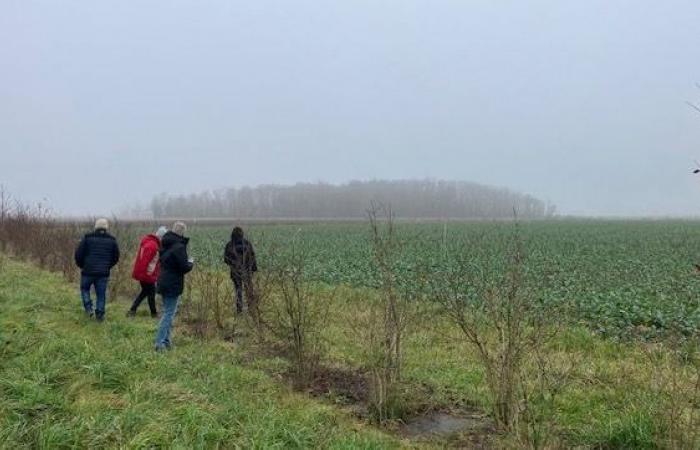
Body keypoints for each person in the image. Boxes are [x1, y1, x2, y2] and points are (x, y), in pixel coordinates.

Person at [154, 221, 193, 351]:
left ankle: (166, 341)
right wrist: (190, 264)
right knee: (169, 314)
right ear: (182, 232)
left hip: (163, 281)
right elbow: (183, 267)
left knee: (168, 312)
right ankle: (159, 343)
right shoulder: (179, 247)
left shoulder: (165, 244)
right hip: (173, 283)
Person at [74, 218, 120, 322]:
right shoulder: (112, 240)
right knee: (101, 294)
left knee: (85, 289)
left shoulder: (87, 238)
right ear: (106, 227)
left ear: (96, 227)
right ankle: (99, 314)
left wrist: (82, 266)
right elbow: (116, 257)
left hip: (87, 271)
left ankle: (89, 308)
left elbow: (78, 254)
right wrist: (107, 266)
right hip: (103, 273)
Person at [127, 226, 167, 318]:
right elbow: (144, 262)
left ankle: (133, 310)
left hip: (146, 274)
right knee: (150, 294)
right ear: (161, 237)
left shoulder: (151, 243)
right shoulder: (153, 245)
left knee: (145, 292)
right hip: (147, 274)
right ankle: (153, 314)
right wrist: (144, 275)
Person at [224, 226, 257, 313]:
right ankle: (251, 308)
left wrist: (233, 265)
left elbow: (226, 259)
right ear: (242, 234)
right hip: (247, 271)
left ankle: (239, 309)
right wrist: (253, 269)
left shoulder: (230, 245)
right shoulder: (247, 244)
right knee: (249, 289)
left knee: (238, 289)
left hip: (235, 271)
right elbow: (253, 257)